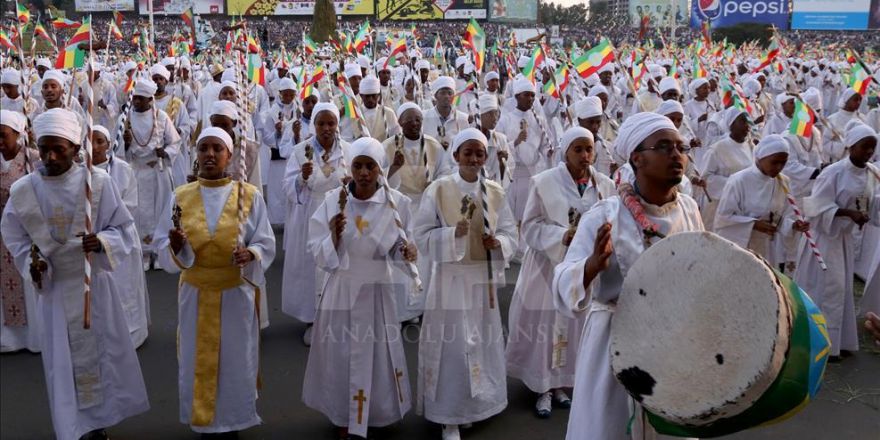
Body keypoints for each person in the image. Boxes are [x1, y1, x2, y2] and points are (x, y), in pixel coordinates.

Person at [1, 108, 149, 440]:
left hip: (93, 286)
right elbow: (14, 235)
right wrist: (32, 262)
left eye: (59, 148)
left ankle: (98, 425)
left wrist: (103, 241)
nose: (50, 157)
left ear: (75, 148)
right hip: (54, 292)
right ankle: (71, 428)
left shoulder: (97, 183)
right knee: (62, 365)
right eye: (44, 148)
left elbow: (123, 228)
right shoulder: (25, 190)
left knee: (99, 357)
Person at [553, 112, 703, 440]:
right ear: (637, 158)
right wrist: (591, 266)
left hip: (672, 341)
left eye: (681, 147)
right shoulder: (605, 215)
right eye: (664, 147)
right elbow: (562, 280)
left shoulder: (689, 208)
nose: (677, 155)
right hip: (615, 343)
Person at [154, 127, 276, 436]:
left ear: (229, 156)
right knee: (197, 358)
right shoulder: (180, 196)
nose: (210, 154)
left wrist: (251, 254)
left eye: (217, 149)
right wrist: (176, 245)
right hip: (195, 294)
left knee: (235, 360)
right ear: (196, 154)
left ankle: (233, 419)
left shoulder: (248, 195)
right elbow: (161, 248)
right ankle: (202, 418)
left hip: (235, 293)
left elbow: (265, 241)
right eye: (204, 148)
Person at [303, 137, 416, 440]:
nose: (364, 173)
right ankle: (345, 414)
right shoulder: (333, 202)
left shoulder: (396, 204)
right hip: (343, 288)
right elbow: (316, 249)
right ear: (350, 167)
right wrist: (334, 238)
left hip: (377, 290)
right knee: (342, 355)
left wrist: (406, 253)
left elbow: (396, 249)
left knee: (378, 353)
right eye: (358, 166)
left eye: (370, 166)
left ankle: (376, 414)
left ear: (380, 169)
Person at [414, 128, 518, 440]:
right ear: (456, 155)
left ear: (485, 157)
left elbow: (512, 233)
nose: (473, 159)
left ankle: (475, 407)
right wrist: (451, 235)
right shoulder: (439, 189)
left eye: (479, 153)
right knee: (453, 348)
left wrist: (496, 242)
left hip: (480, 281)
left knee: (481, 346)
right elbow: (420, 234)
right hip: (450, 280)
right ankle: (449, 415)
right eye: (467, 153)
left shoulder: (495, 192)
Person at [505, 127, 614, 419]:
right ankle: (543, 387)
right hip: (547, 267)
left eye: (589, 149)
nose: (584, 156)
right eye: (578, 149)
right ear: (564, 151)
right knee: (546, 326)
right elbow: (529, 227)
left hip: (583, 269)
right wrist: (562, 235)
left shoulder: (603, 185)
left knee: (574, 325)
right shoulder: (544, 183)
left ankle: (563, 383)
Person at [794, 121, 879, 361]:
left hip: (843, 239)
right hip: (824, 238)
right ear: (851, 146)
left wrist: (864, 213)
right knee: (825, 289)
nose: (869, 153)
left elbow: (871, 202)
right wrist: (847, 213)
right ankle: (821, 343)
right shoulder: (833, 172)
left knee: (841, 291)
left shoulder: (872, 172)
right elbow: (816, 206)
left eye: (873, 148)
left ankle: (839, 341)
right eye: (864, 147)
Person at [281, 103, 352, 346]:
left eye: (331, 123)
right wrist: (301, 178)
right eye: (321, 123)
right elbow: (288, 188)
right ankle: (313, 320)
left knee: (341, 265)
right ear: (314, 125)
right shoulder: (301, 151)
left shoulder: (348, 151)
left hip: (341, 213)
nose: (326, 128)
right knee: (313, 267)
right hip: (311, 214)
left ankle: (339, 318)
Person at [91, 125, 150, 348]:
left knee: (124, 287)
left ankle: (131, 331)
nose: (95, 147)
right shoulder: (80, 170)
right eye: (91, 141)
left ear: (108, 145)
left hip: (120, 237)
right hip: (92, 240)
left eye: (100, 141)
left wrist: (103, 225)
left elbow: (129, 205)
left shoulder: (123, 169)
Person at [714, 134, 811, 267]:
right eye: (775, 162)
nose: (779, 167)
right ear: (760, 158)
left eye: (783, 163)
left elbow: (781, 218)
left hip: (769, 249)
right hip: (743, 247)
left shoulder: (783, 182)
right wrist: (753, 224)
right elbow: (723, 218)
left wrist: (794, 225)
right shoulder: (738, 181)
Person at [122, 79, 181, 270]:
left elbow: (175, 142)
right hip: (136, 173)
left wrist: (165, 152)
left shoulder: (161, 117)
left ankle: (159, 253)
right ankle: (144, 253)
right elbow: (116, 151)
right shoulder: (126, 118)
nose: (136, 102)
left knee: (160, 211)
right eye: (135, 98)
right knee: (138, 213)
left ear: (150, 99)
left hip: (158, 172)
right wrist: (125, 143)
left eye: (140, 98)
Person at [0, 109, 42, 353]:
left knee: (29, 281)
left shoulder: (34, 160)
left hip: (27, 233)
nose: (0, 142)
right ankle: (8, 337)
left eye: (4, 136)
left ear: (18, 135)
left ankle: (33, 336)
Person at [701, 107, 755, 229]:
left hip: (743, 206)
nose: (747, 126)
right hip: (719, 205)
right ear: (731, 125)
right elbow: (706, 178)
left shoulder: (750, 147)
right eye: (742, 121)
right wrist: (735, 184)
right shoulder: (717, 149)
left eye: (747, 122)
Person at [422, 76, 469, 151]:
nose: (447, 96)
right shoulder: (424, 116)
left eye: (450, 93)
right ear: (435, 95)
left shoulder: (463, 118)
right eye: (443, 93)